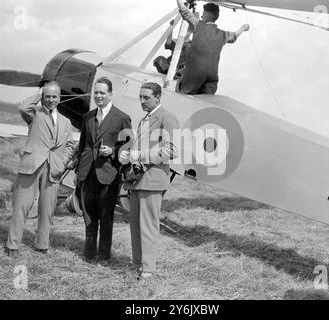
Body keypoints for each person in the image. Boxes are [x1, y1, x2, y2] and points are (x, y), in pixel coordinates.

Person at [6, 81, 74, 258]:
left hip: (53, 169)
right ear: (43, 97)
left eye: (54, 96)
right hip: (31, 165)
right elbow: (23, 107)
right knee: (22, 205)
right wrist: (40, 91)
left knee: (47, 209)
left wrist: (61, 162)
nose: (51, 100)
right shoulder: (34, 114)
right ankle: (13, 245)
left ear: (60, 98)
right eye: (47, 96)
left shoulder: (66, 122)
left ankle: (42, 245)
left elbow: (70, 146)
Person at [119, 82, 179, 279]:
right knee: (135, 225)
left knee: (148, 226)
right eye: (141, 97)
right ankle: (138, 264)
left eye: (146, 97)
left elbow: (172, 150)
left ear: (158, 97)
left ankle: (148, 269)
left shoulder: (168, 117)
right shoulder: (144, 119)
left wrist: (139, 155)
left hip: (153, 180)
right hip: (137, 180)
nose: (142, 101)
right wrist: (130, 156)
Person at [76, 77, 132, 265]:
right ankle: (89, 253)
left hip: (109, 174)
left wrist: (113, 152)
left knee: (106, 217)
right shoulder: (88, 116)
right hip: (87, 173)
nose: (98, 96)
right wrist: (78, 169)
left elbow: (129, 147)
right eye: (96, 93)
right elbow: (83, 145)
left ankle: (104, 256)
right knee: (89, 215)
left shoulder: (122, 118)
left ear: (110, 94)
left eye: (102, 93)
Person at [176, 0, 250, 94]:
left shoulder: (198, 24)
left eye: (203, 13)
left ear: (207, 14)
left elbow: (184, 12)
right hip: (211, 77)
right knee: (206, 102)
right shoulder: (223, 35)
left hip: (193, 75)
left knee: (183, 96)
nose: (202, 16)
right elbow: (235, 36)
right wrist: (243, 27)